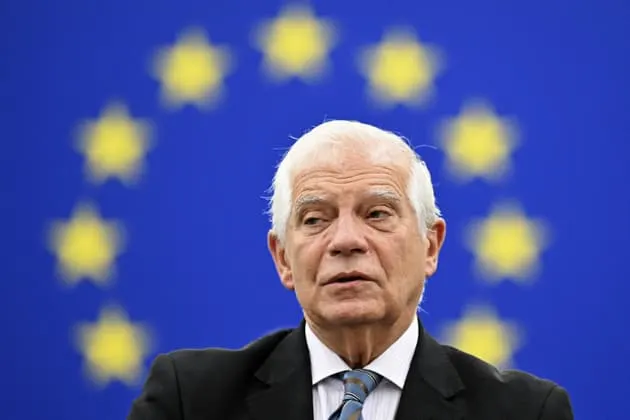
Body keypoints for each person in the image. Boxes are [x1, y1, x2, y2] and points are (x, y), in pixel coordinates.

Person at [127, 120, 574, 420]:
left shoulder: (526, 412)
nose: (345, 240)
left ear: (431, 246)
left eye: (377, 213)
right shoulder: (191, 401)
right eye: (315, 219)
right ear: (282, 258)